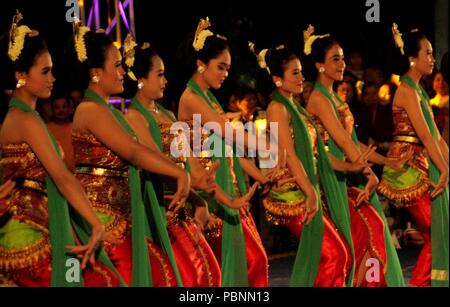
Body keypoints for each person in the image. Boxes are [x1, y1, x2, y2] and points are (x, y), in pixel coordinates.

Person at [122, 34, 256, 286]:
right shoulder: (134, 118)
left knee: (210, 275)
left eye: (165, 74)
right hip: (162, 209)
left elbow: (189, 164)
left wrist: (222, 199)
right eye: (159, 74)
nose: (165, 80)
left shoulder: (167, 114)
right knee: (194, 277)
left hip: (183, 205)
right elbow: (161, 165)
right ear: (141, 79)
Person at [65, 21, 191, 286]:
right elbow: (133, 152)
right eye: (117, 65)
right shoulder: (89, 110)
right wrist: (180, 174)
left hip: (121, 222)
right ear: (96, 73)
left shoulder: (110, 112)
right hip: (103, 221)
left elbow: (141, 151)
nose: (124, 72)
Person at [0, 11, 120, 287]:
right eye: (45, 71)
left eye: (51, 69)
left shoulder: (24, 116)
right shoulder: (26, 120)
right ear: (20, 76)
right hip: (27, 238)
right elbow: (62, 177)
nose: (53, 78)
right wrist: (95, 223)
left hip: (35, 228)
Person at [261, 45, 373, 286]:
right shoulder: (277, 108)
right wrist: (310, 191)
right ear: (277, 80)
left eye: (301, 72)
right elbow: (290, 155)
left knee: (338, 254)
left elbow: (318, 155)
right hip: (292, 192)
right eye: (295, 73)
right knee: (335, 255)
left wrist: (351, 167)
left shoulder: (296, 107)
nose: (302, 77)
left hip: (307, 188)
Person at [304, 25, 405, 286]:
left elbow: (354, 143)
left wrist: (385, 162)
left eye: (343, 58)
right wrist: (370, 174)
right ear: (319, 65)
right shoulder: (318, 98)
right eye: (335, 59)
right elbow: (342, 141)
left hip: (350, 176)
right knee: (369, 232)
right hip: (333, 178)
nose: (342, 63)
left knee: (371, 233)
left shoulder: (336, 98)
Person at [177, 17, 269, 286]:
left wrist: (263, 177)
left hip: (227, 192)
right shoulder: (191, 99)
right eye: (220, 67)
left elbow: (230, 151)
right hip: (209, 194)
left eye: (227, 68)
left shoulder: (208, 97)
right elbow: (229, 134)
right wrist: (267, 146)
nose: (225, 74)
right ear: (200, 64)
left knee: (253, 262)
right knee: (241, 265)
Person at [379, 24, 449, 287]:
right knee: (439, 234)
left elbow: (437, 138)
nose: (432, 59)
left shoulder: (419, 90)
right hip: (406, 169)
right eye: (427, 53)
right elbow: (427, 136)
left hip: (419, 166)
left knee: (440, 233)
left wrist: (447, 165)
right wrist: (444, 169)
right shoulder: (407, 92)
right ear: (412, 58)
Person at [47, 95, 75, 170]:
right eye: (57, 107)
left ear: (70, 109)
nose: (61, 110)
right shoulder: (45, 129)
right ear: (52, 110)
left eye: (64, 107)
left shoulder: (76, 127)